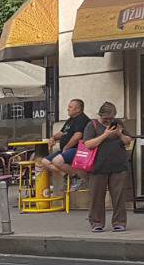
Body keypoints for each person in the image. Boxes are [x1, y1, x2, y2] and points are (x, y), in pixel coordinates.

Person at [79, 101, 133, 233]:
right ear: (100, 115)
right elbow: (88, 144)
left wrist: (120, 134)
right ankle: (96, 222)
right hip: (98, 166)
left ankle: (119, 222)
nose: (109, 121)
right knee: (97, 196)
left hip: (118, 165)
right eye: (106, 118)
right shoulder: (92, 125)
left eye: (111, 118)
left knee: (119, 196)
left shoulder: (118, 123)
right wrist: (105, 135)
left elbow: (128, 141)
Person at [38, 99, 91, 191]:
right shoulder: (71, 120)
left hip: (77, 149)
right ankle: (68, 176)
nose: (67, 109)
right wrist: (53, 138)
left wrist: (67, 147)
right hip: (66, 150)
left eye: (70, 107)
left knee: (57, 161)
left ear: (78, 109)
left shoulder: (82, 119)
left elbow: (77, 136)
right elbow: (62, 133)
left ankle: (78, 178)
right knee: (45, 162)